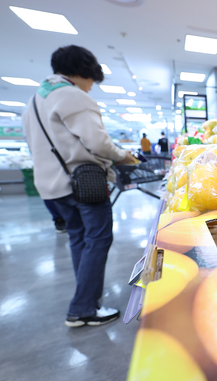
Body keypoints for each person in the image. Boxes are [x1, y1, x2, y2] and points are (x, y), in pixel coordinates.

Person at [22, 45, 136, 328]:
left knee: (79, 239)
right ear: (85, 72)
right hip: (84, 183)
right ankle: (83, 307)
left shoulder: (34, 101)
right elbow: (98, 142)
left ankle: (87, 302)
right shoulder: (72, 96)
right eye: (92, 82)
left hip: (53, 186)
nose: (91, 89)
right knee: (98, 239)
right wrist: (123, 156)